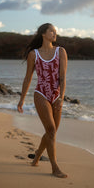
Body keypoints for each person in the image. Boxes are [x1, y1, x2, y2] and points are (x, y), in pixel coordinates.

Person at [17, 23, 68, 178]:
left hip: (56, 95)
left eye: (55, 31)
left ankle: (37, 156)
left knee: (51, 132)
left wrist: (62, 97)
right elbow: (28, 78)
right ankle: (54, 167)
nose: (55, 33)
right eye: (51, 31)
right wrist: (22, 100)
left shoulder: (61, 51)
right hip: (41, 94)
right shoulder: (34, 54)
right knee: (51, 130)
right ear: (43, 34)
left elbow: (63, 77)